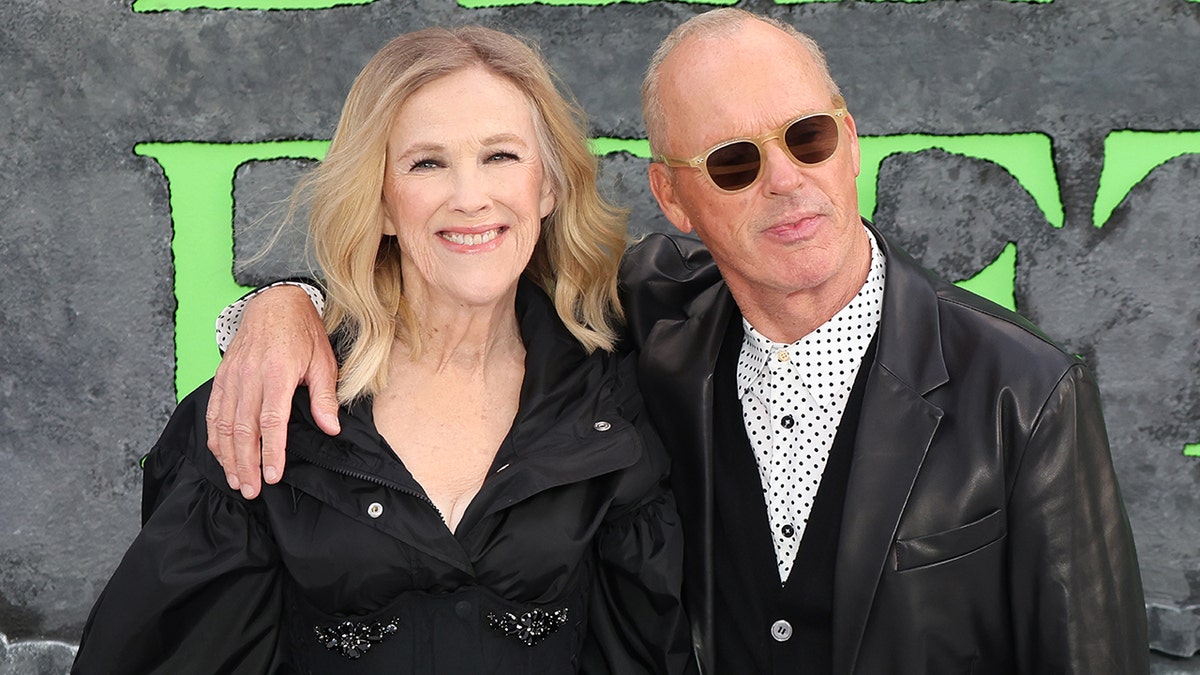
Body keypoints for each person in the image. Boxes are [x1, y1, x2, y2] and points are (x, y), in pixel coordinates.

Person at [206, 9, 1149, 674]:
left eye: (808, 138)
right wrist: (280, 307)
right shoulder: (639, 319)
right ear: (674, 197)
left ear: (851, 141)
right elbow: (461, 256)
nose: (784, 181)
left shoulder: (1022, 390)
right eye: (733, 163)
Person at [73, 26, 693, 674]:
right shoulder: (268, 409)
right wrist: (280, 302)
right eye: (428, 162)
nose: (470, 196)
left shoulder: (612, 402)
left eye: (501, 156)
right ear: (384, 201)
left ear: (547, 187)